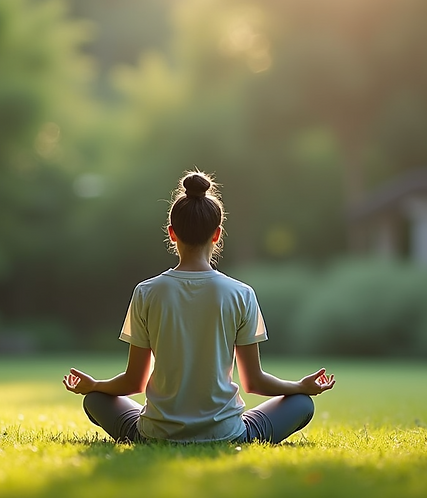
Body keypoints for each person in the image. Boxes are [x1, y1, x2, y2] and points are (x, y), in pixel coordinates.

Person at [63, 170, 335, 444]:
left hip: (155, 434)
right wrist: (301, 386)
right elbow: (255, 381)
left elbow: (134, 382)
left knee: (95, 400)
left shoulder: (146, 292)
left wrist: (94, 386)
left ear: (171, 233)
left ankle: (149, 429)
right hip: (227, 435)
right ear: (217, 234)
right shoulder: (242, 294)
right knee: (302, 404)